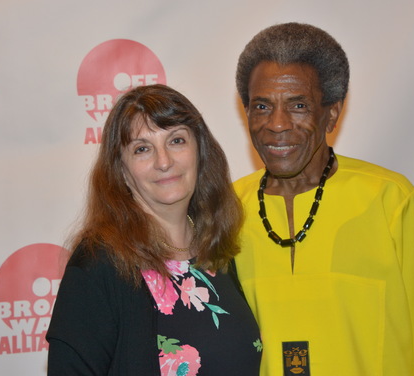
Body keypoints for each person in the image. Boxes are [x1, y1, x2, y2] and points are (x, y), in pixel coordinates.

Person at [233, 22, 414, 376]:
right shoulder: (223, 210)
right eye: (262, 106)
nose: (277, 124)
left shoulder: (388, 199)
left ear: (331, 113)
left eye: (298, 105)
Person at [46, 84, 262, 375]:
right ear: (121, 170)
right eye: (142, 149)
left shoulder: (220, 252)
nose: (164, 161)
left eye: (176, 141)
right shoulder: (98, 265)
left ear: (200, 151)